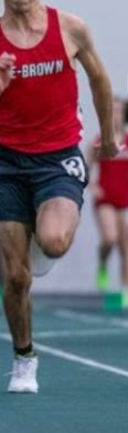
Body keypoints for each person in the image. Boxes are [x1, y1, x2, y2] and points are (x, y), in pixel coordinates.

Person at [0, 0, 119, 393]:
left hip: (58, 156)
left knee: (52, 243)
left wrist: (109, 137)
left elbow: (99, 79)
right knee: (15, 277)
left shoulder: (70, 28)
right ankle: (24, 358)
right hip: (5, 161)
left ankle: (41, 238)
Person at [87, 96, 128, 304]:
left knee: (125, 246)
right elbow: (86, 167)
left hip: (124, 197)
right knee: (110, 238)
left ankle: (124, 290)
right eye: (112, 110)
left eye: (120, 111)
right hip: (106, 199)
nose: (116, 115)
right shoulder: (99, 140)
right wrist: (93, 186)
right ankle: (102, 262)